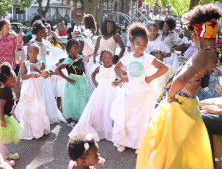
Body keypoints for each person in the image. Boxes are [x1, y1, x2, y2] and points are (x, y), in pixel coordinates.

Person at [136, 4, 221, 168]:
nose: (192, 37)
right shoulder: (214, 53)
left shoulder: (202, 54)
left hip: (179, 106)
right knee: (187, 150)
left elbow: (181, 80)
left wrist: (170, 97)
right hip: (190, 105)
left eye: (193, 34)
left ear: (198, 33)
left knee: (166, 151)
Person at [110, 23, 168, 153]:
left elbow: (164, 68)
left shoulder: (149, 58)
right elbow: (117, 68)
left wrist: (150, 78)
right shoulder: (127, 57)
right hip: (129, 92)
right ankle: (123, 141)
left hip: (144, 93)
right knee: (127, 117)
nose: (141, 46)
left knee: (141, 120)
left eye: (143, 44)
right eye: (138, 43)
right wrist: (123, 78)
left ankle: (139, 143)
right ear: (132, 44)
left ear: (147, 45)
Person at [69, 50, 121, 142]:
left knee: (112, 107)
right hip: (101, 90)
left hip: (113, 90)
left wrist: (119, 81)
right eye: (105, 57)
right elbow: (92, 75)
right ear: (101, 58)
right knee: (100, 107)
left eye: (109, 57)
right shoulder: (99, 68)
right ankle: (101, 127)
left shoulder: (115, 67)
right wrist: (95, 83)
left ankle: (112, 127)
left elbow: (124, 75)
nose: (108, 59)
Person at [14, 43, 50, 139]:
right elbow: (23, 76)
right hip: (28, 88)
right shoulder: (25, 63)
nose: (32, 54)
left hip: (38, 87)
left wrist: (37, 71)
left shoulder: (41, 63)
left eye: (34, 52)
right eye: (30, 52)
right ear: (27, 52)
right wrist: (31, 75)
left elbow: (45, 75)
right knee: (28, 106)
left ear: (38, 52)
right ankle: (28, 129)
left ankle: (38, 129)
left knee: (37, 106)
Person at [55, 39, 91, 127]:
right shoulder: (68, 60)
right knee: (71, 100)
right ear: (69, 49)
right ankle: (69, 120)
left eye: (77, 48)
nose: (77, 49)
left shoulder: (79, 57)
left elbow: (82, 68)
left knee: (81, 98)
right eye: (74, 48)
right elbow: (57, 70)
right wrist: (68, 79)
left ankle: (81, 117)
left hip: (82, 81)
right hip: (73, 82)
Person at [82, 14, 97, 92]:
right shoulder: (92, 29)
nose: (83, 23)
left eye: (84, 21)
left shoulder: (88, 31)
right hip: (90, 54)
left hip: (90, 55)